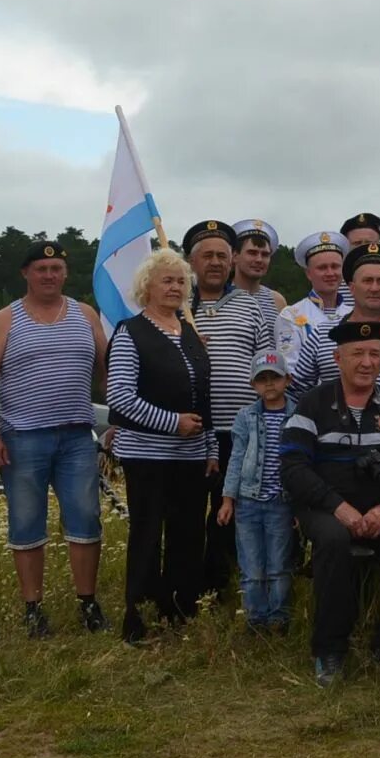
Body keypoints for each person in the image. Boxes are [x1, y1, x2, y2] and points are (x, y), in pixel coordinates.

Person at [0, 242, 110, 637]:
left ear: (66, 273)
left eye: (56, 268)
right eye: (41, 268)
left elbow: (110, 370)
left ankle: (88, 602)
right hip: (23, 437)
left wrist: (120, 416)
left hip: (76, 436)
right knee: (27, 522)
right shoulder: (5, 320)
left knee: (86, 518)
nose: (49, 275)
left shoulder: (85, 315)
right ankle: (33, 608)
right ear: (26, 274)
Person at [282, 318, 380, 683]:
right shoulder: (313, 403)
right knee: (333, 539)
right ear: (337, 357)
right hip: (328, 508)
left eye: (375, 354)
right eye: (358, 353)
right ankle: (330, 649)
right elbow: (293, 467)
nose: (367, 362)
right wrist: (338, 506)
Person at [106, 248, 218, 643]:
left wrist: (210, 448)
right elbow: (119, 396)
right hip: (147, 456)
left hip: (191, 458)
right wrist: (172, 424)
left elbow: (204, 396)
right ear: (146, 287)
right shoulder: (130, 332)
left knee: (188, 537)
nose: (175, 287)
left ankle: (180, 614)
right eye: (166, 280)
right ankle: (141, 620)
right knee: (148, 536)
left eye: (180, 280)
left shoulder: (188, 332)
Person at [184, 219, 275, 600]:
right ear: (191, 262)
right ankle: (186, 584)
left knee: (230, 510)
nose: (216, 263)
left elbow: (267, 361)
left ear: (233, 259)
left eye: (223, 255)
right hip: (189, 429)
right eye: (208, 256)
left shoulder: (251, 307)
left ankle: (223, 585)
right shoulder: (175, 304)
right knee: (187, 511)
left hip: (237, 429)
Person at [217, 350, 296, 635]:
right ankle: (255, 620)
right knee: (251, 568)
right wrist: (228, 500)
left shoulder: (298, 415)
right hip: (248, 502)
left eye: (274, 377)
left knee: (279, 565)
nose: (269, 385)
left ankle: (279, 617)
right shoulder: (246, 416)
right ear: (253, 385)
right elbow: (236, 459)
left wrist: (300, 505)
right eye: (261, 379)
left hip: (282, 503)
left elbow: (304, 463)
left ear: (288, 379)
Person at [296, 242, 380, 403]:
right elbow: (296, 390)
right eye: (367, 281)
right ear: (351, 287)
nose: (375, 288)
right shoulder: (323, 333)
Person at [275, 232, 353, 381]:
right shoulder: (291, 316)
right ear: (308, 273)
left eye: (335, 266)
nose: (330, 273)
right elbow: (290, 371)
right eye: (322, 268)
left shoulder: (354, 314)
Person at [232, 219, 287, 319]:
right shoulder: (219, 294)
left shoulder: (277, 301)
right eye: (252, 253)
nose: (259, 260)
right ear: (235, 256)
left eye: (265, 254)